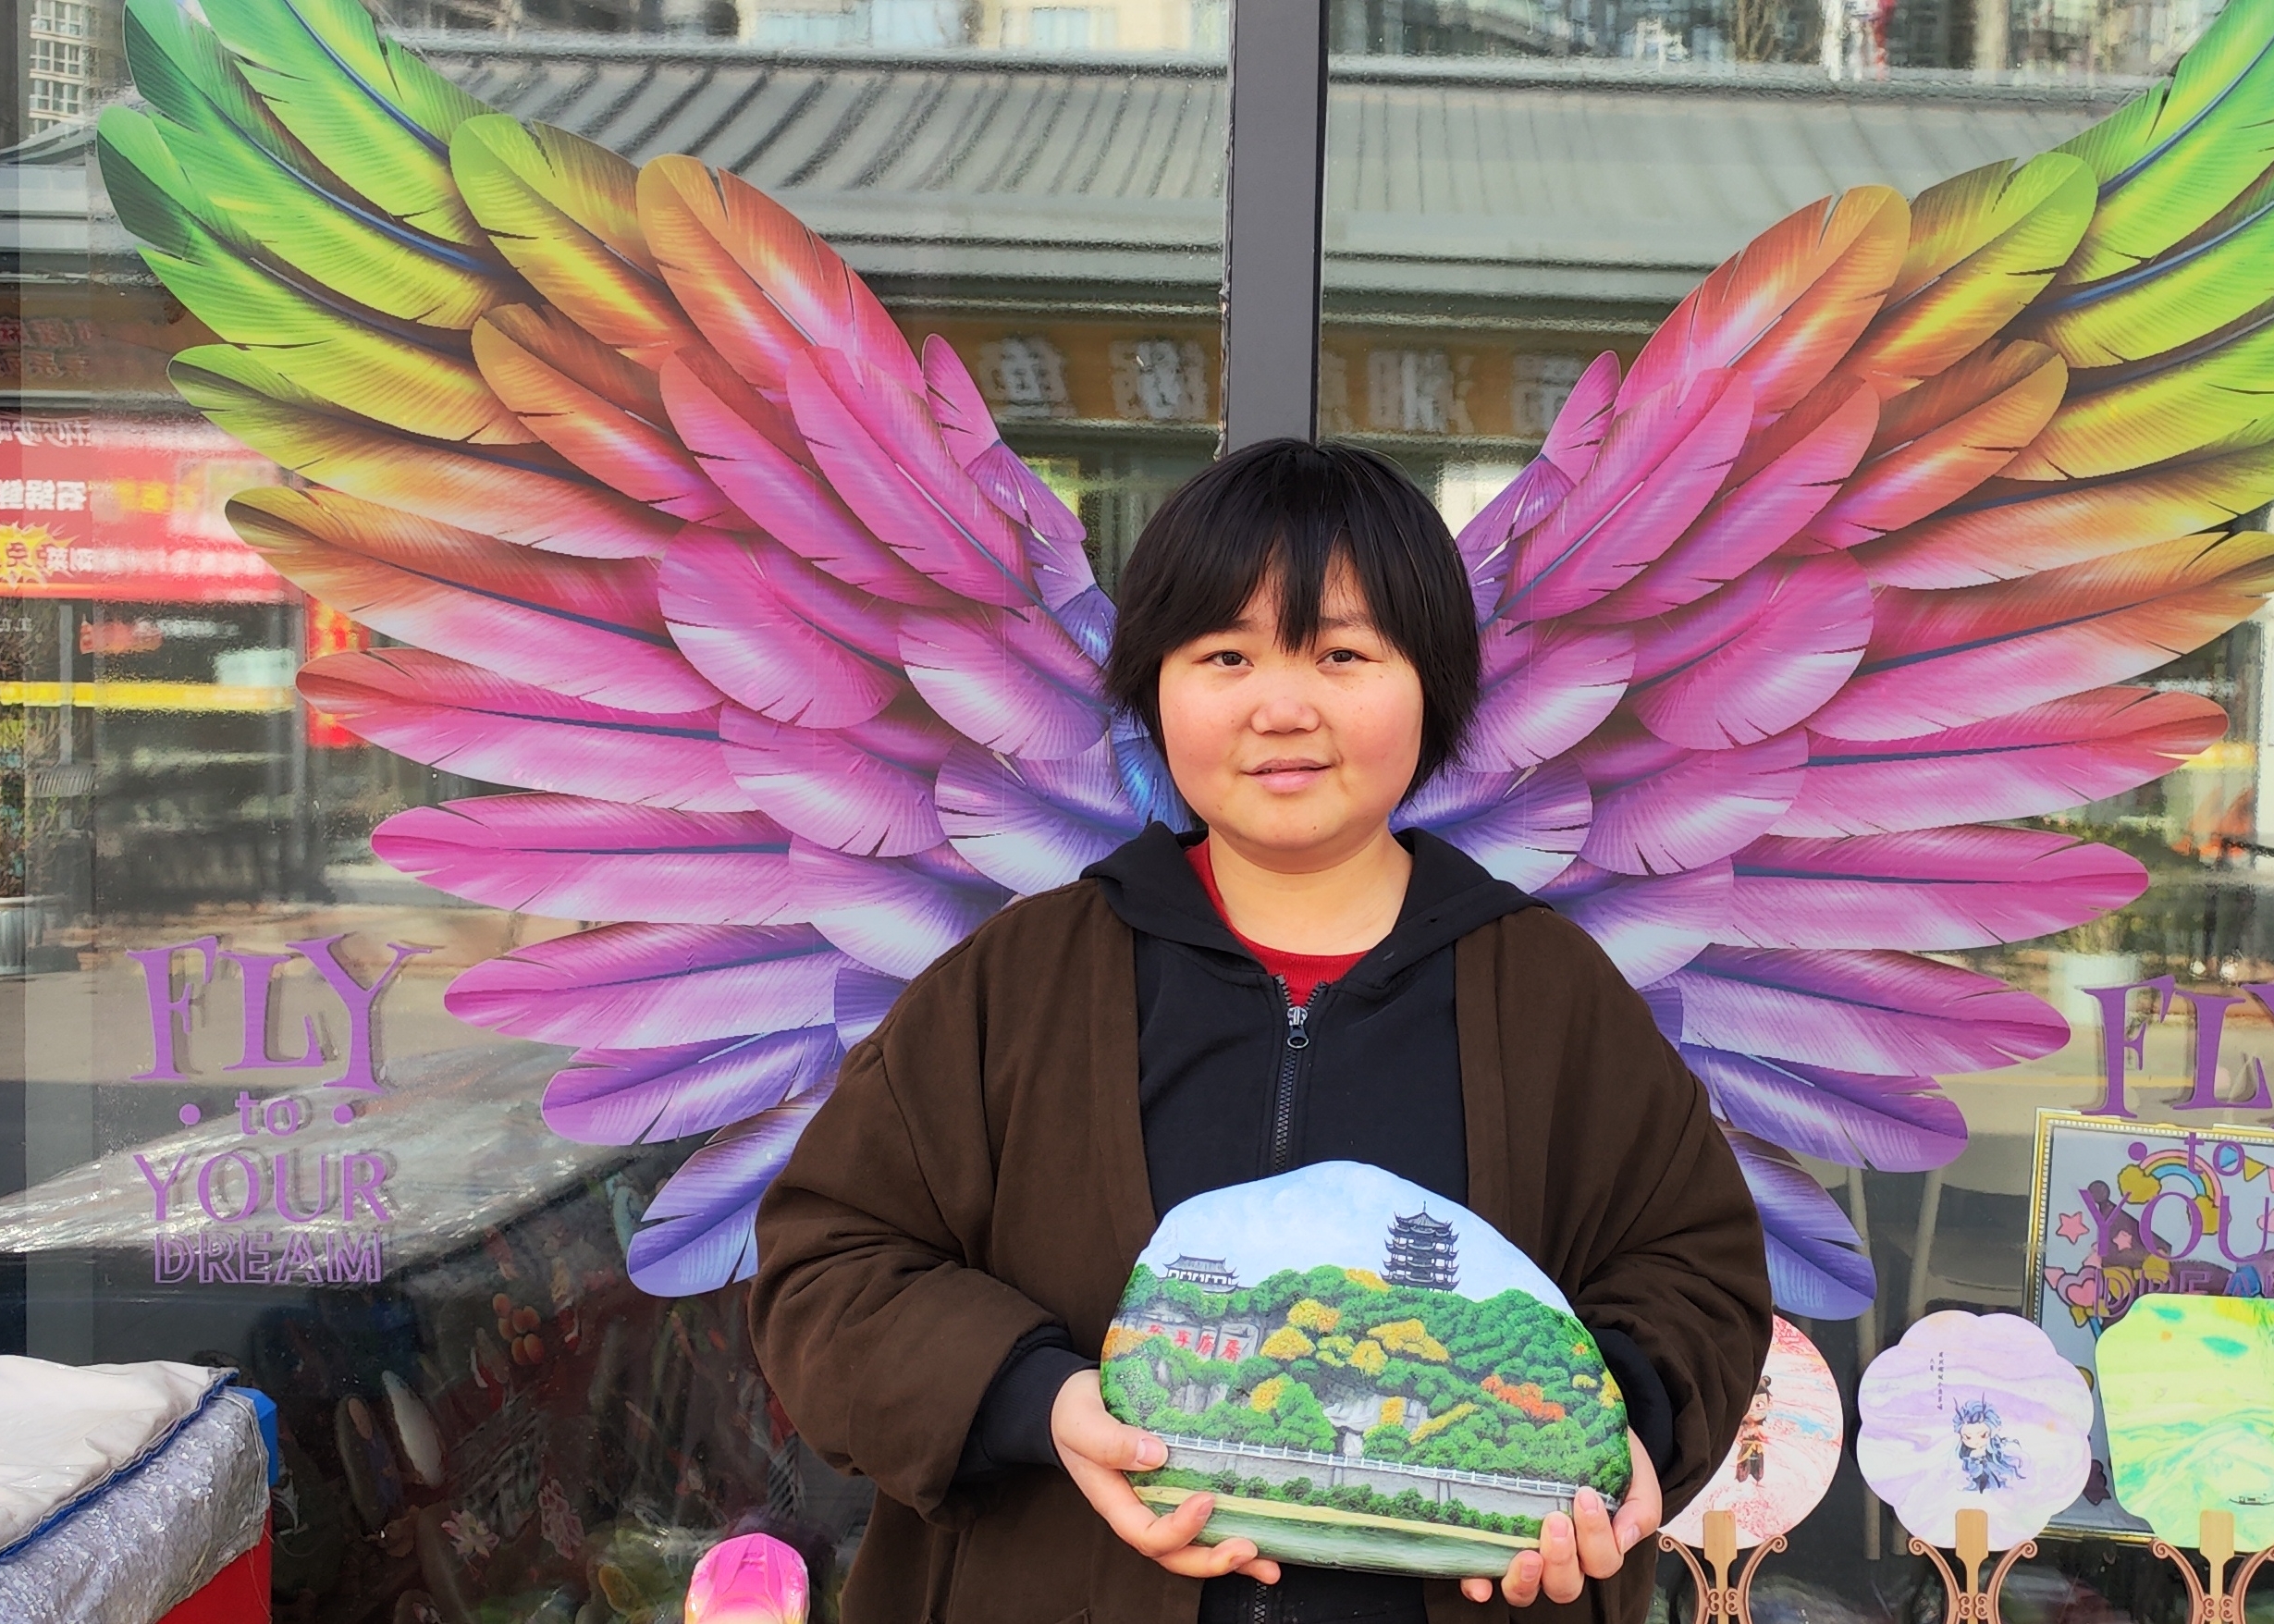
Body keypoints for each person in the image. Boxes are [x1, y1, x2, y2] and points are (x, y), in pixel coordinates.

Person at [750, 439, 1773, 1623]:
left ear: (1431, 684)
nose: (1281, 708)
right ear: (1156, 686)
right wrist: (1041, 1401)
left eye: (1342, 654)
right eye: (1225, 655)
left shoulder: (1551, 995)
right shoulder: (1017, 984)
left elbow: (1692, 1270)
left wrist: (1616, 1421)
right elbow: (828, 1267)